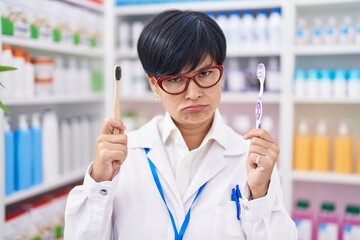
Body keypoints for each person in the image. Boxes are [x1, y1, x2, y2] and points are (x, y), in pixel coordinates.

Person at [64, 9, 297, 240]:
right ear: (154, 85)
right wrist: (99, 184)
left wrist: (259, 196)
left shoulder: (251, 159)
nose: (194, 94)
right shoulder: (124, 157)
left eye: (205, 74)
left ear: (221, 73)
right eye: (175, 79)